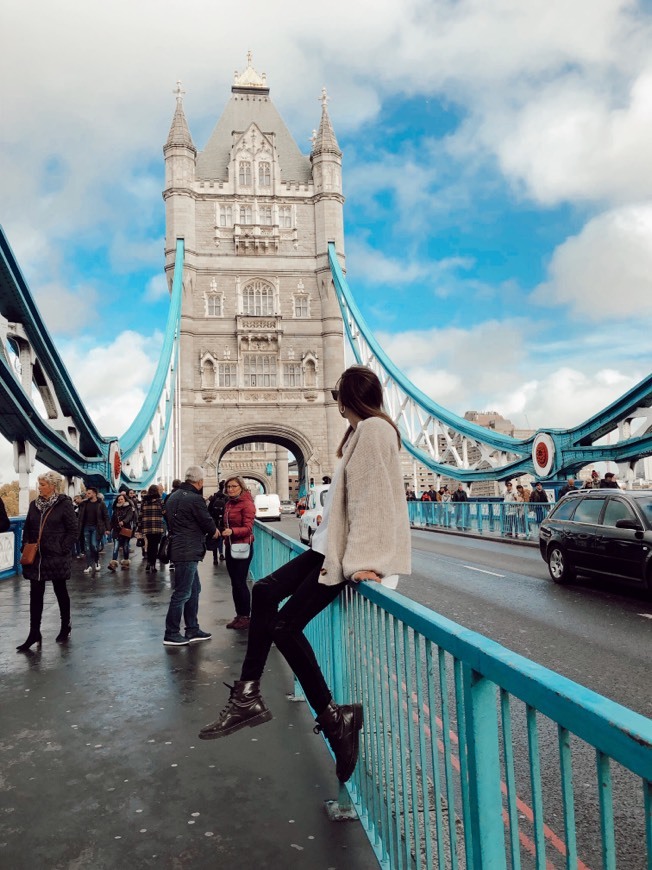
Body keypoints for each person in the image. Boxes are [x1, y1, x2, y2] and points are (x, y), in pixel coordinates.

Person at [198, 365, 412, 785]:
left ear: (346, 397)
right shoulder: (362, 432)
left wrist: (364, 562)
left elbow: (373, 502)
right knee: (263, 592)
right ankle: (249, 694)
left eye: (337, 394)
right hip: (325, 547)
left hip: (343, 555)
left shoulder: (372, 431)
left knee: (286, 626)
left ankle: (334, 718)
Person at [17, 471, 78, 651]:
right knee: (35, 594)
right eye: (39, 484)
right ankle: (34, 632)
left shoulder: (64, 505)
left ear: (52, 486)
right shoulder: (33, 505)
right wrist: (25, 546)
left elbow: (73, 531)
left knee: (60, 591)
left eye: (42, 484)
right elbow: (27, 528)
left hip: (56, 557)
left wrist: (62, 548)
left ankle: (65, 625)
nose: (39, 487)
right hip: (37, 558)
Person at [162, 465, 219, 646]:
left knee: (194, 589)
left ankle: (192, 629)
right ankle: (171, 633)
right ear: (200, 482)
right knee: (182, 593)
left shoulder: (172, 497)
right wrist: (216, 532)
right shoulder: (195, 499)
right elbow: (207, 522)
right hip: (188, 549)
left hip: (178, 547)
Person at [222, 476, 256, 629]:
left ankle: (246, 617)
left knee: (240, 582)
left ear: (241, 487)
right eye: (228, 486)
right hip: (230, 546)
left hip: (243, 547)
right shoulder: (229, 503)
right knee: (235, 583)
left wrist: (232, 531)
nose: (230, 489)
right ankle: (239, 615)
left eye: (234, 486)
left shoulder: (247, 504)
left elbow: (248, 528)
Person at [78, 486, 109, 574]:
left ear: (94, 494)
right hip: (86, 528)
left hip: (96, 527)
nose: (87, 495)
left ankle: (96, 561)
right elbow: (80, 516)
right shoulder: (84, 504)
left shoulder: (101, 504)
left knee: (94, 545)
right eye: (87, 493)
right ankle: (88, 565)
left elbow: (106, 516)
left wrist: (108, 528)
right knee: (87, 548)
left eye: (89, 493)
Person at [139, 483, 165, 573]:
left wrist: (139, 528)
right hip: (157, 526)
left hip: (147, 527)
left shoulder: (144, 501)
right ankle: (153, 565)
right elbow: (164, 512)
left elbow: (140, 515)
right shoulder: (160, 501)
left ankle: (149, 563)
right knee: (155, 546)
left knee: (150, 545)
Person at [108, 493, 135, 572]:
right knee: (116, 547)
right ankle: (113, 564)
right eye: (119, 499)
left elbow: (129, 517)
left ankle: (125, 563)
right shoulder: (115, 509)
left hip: (125, 530)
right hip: (116, 530)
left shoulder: (129, 508)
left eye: (121, 499)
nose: (120, 501)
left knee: (125, 546)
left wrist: (123, 521)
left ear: (125, 500)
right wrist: (109, 529)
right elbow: (112, 520)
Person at [207, 480, 228, 565]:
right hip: (223, 522)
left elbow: (208, 510)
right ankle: (222, 554)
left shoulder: (214, 497)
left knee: (215, 538)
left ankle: (215, 559)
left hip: (214, 522)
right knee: (224, 538)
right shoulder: (226, 498)